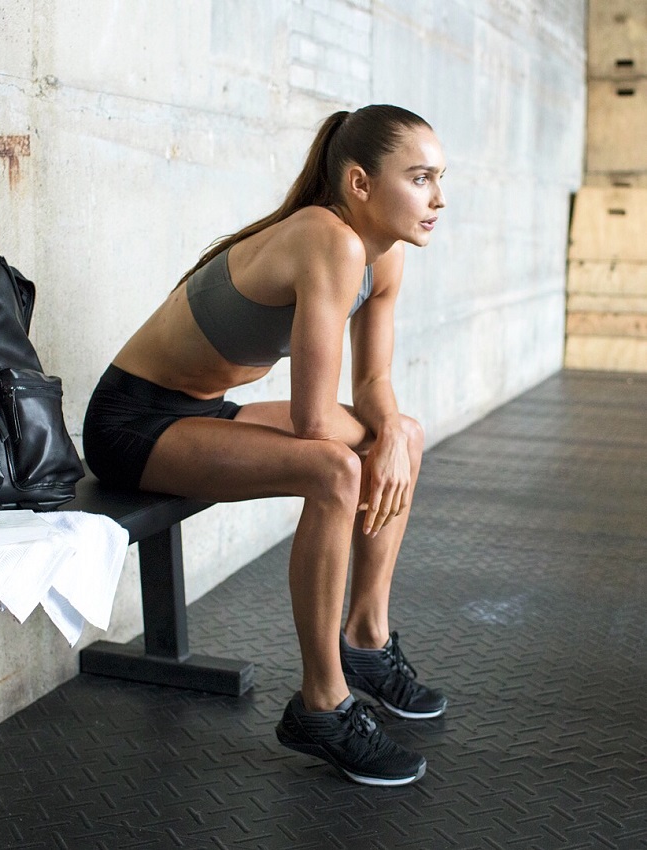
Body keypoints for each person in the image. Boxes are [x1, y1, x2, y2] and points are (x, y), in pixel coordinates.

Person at [83, 104, 447, 786]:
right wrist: (384, 437)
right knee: (338, 468)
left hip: (204, 412)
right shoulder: (327, 239)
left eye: (439, 179)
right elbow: (314, 420)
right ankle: (322, 703)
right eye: (420, 177)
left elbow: (372, 382)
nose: (438, 197)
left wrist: (396, 428)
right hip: (132, 424)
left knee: (403, 436)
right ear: (362, 184)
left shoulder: (385, 257)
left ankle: (366, 640)